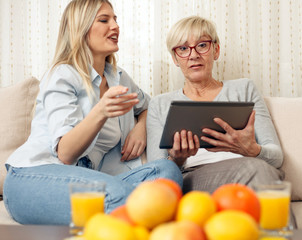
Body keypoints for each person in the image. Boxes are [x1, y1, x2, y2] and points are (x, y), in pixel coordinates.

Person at [3, 0, 182, 225]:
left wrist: (140, 128)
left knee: (167, 174)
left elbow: (149, 106)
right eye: (104, 20)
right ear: (82, 28)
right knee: (121, 193)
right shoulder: (63, 75)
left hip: (91, 179)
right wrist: (100, 112)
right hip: (33, 178)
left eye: (115, 19)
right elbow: (65, 154)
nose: (115, 26)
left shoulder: (118, 77)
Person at [147, 16, 284, 194]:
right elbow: (155, 175)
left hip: (253, 170)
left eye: (202, 45)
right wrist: (177, 160)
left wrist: (254, 150)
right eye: (183, 49)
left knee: (260, 172)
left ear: (216, 50)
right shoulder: (159, 104)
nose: (193, 55)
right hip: (195, 179)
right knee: (258, 172)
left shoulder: (245, 88)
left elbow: (277, 158)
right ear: (175, 58)